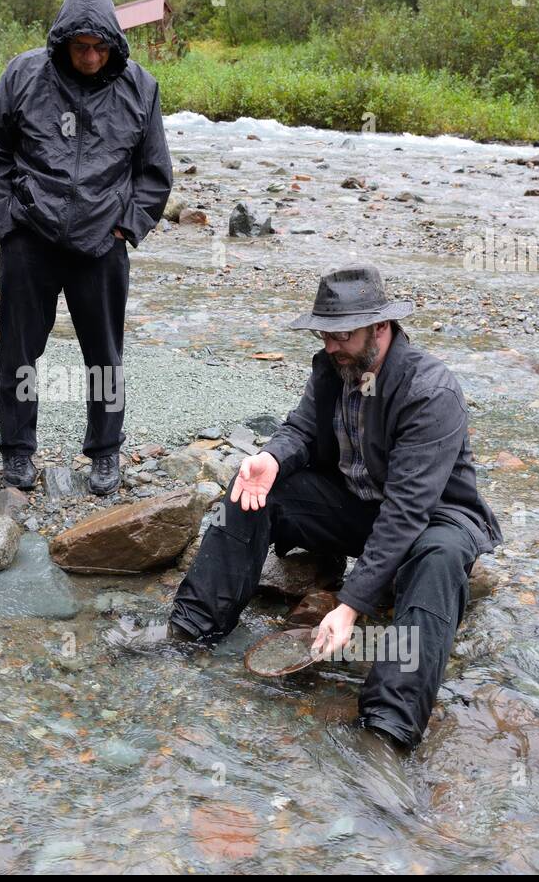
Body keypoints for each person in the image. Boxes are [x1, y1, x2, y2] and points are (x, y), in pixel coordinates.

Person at [112, 265, 503, 758]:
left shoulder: (430, 391)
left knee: (439, 559)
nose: (331, 345)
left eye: (343, 335)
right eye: (324, 334)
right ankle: (191, 628)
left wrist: (349, 605)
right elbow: (300, 429)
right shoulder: (333, 368)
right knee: (253, 484)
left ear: (380, 328)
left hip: (433, 520)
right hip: (357, 505)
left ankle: (386, 730)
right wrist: (271, 457)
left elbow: (406, 510)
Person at [0, 0, 172, 496]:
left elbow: (154, 172)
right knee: (18, 353)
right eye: (81, 47)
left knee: (104, 356)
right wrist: (6, 222)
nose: (89, 56)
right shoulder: (24, 75)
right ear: (63, 42)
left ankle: (105, 453)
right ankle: (17, 452)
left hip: (101, 244)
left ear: (113, 43)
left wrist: (127, 226)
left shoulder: (140, 88)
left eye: (99, 47)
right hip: (30, 240)